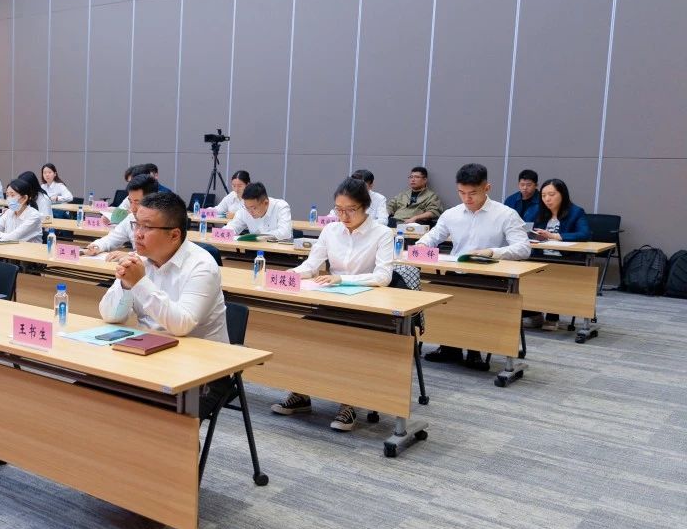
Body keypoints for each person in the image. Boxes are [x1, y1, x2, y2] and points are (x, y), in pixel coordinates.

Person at [270, 177, 395, 432]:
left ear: (365, 207)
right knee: (302, 333)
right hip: (331, 300)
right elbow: (311, 266)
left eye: (351, 210)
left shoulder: (382, 233)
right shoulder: (330, 230)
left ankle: (349, 402)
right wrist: (291, 274)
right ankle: (301, 393)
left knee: (347, 342)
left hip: (366, 305)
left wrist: (342, 279)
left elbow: (383, 277)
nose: (343, 216)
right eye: (339, 209)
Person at [98, 191, 234, 419]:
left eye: (147, 227)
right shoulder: (138, 260)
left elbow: (182, 325)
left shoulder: (202, 266)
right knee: (88, 394)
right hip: (147, 355)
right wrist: (125, 285)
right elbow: (110, 315)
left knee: (165, 421)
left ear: (174, 235)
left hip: (203, 370)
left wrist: (139, 282)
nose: (138, 234)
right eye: (136, 224)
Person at [417, 163, 531, 368]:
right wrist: (422, 246)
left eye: (473, 193)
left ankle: (475, 350)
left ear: (487, 188)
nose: (467, 199)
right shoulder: (451, 214)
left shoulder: (505, 214)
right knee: (438, 296)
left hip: (488, 276)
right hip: (454, 273)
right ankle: (449, 347)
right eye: (461, 193)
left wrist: (492, 252)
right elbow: (431, 238)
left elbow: (523, 248)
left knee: (475, 305)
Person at [527, 178, 593, 331]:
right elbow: (525, 228)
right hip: (539, 257)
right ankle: (533, 313)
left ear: (562, 194)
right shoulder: (537, 211)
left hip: (565, 259)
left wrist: (555, 236)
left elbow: (584, 234)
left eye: (551, 195)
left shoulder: (576, 212)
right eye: (543, 195)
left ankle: (552, 316)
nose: (547, 199)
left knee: (553, 276)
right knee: (526, 275)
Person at [84, 174, 158, 261]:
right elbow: (111, 239)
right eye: (130, 202)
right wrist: (97, 246)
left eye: (137, 202)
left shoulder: (161, 221)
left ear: (151, 200)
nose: (132, 208)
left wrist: (130, 255)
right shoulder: (131, 218)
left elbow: (158, 256)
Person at [224, 182, 292, 240]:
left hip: (278, 249)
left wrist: (257, 237)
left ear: (266, 203)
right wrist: (222, 233)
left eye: (254, 208)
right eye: (247, 208)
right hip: (255, 249)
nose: (250, 212)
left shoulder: (281, 206)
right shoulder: (245, 209)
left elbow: (284, 233)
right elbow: (233, 226)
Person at [0, 178, 44, 242]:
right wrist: (6, 236)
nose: (9, 199)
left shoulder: (34, 216)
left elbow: (12, 238)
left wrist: (2, 236)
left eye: (12, 195)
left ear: (24, 198)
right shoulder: (9, 212)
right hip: (10, 247)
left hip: (28, 248)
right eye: (7, 195)